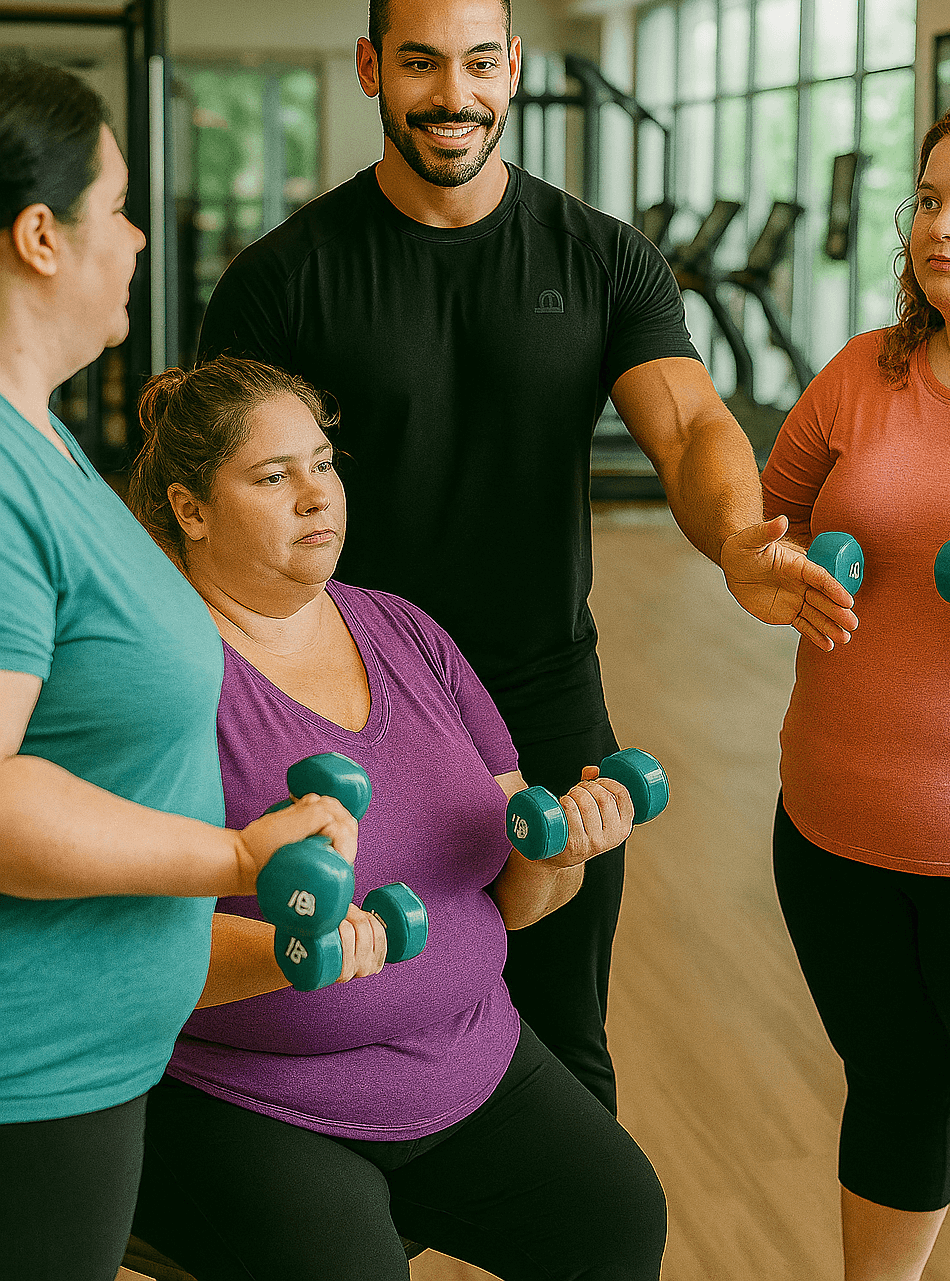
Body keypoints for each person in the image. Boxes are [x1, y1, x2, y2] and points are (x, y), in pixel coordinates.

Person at [196, 0, 856, 1114]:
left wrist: (738, 535)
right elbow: (216, 507)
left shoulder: (603, 259)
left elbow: (692, 421)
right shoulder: (281, 280)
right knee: (360, 1041)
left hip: (543, 692)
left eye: (479, 62)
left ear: (510, 71)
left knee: (563, 1045)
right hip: (349, 710)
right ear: (369, 69)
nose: (453, 94)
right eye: (420, 63)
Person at [125, 355, 668, 1279]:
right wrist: (304, 956)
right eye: (272, 476)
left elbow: (520, 900)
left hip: (473, 1062)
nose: (316, 495)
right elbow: (124, 957)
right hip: (251, 1099)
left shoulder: (405, 631)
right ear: (190, 509)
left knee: (614, 1215)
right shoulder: (155, 677)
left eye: (324, 464)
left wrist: (566, 844)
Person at [0, 59, 354, 1281]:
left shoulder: (40, 433)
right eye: (117, 202)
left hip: (86, 1060)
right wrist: (238, 860)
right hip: (28, 1070)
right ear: (42, 236)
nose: (142, 233)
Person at [762, 96, 950, 1280]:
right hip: (829, 833)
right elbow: (762, 525)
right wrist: (785, 567)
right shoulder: (863, 370)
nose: (939, 226)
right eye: (927, 199)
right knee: (894, 1089)